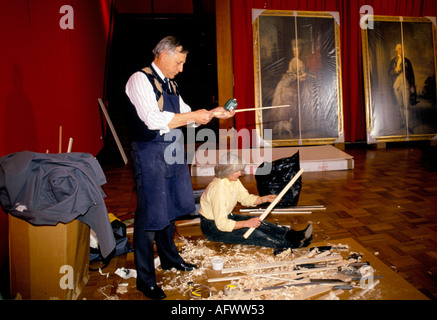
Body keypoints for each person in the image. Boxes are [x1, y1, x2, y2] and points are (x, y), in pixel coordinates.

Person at [125, 36, 234, 299]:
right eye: (179, 62)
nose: (181, 68)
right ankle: (145, 278)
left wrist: (211, 113)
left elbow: (187, 116)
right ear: (163, 55)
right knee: (150, 215)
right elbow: (152, 119)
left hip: (172, 151)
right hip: (150, 151)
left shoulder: (171, 83)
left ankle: (171, 258)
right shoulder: (140, 79)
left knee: (170, 206)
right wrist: (193, 116)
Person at [199, 152, 313, 250]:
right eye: (237, 171)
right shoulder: (218, 189)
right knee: (255, 233)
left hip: (226, 218)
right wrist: (246, 224)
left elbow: (245, 198)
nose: (240, 173)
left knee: (260, 222)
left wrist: (265, 198)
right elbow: (222, 224)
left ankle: (294, 235)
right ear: (227, 171)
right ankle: (293, 244)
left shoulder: (233, 180)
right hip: (213, 228)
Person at [389, 44, 417, 127]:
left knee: (406, 105)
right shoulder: (393, 61)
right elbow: (389, 73)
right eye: (399, 49)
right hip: (397, 84)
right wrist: (396, 71)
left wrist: (412, 85)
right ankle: (403, 122)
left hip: (405, 83)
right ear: (397, 50)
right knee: (400, 104)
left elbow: (411, 74)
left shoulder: (407, 61)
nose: (401, 50)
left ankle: (408, 125)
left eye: (402, 49)